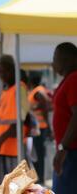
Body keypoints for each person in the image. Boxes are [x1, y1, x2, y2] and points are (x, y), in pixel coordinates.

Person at [0, 55, 29, 191]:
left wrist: (1, 139)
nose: (3, 75)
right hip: (2, 150)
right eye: (0, 72)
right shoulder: (4, 91)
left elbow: (21, 120)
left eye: (5, 72)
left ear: (13, 70)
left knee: (16, 189)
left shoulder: (20, 88)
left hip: (15, 151)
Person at [52, 42, 77, 194]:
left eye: (55, 58)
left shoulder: (74, 78)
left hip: (71, 152)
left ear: (68, 59)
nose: (53, 63)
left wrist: (63, 148)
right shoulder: (69, 79)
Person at [28, 73, 52, 184]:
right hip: (39, 128)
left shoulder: (37, 91)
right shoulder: (39, 90)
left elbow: (45, 104)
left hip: (39, 128)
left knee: (38, 155)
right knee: (38, 155)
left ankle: (40, 179)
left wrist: (36, 107)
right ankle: (39, 178)